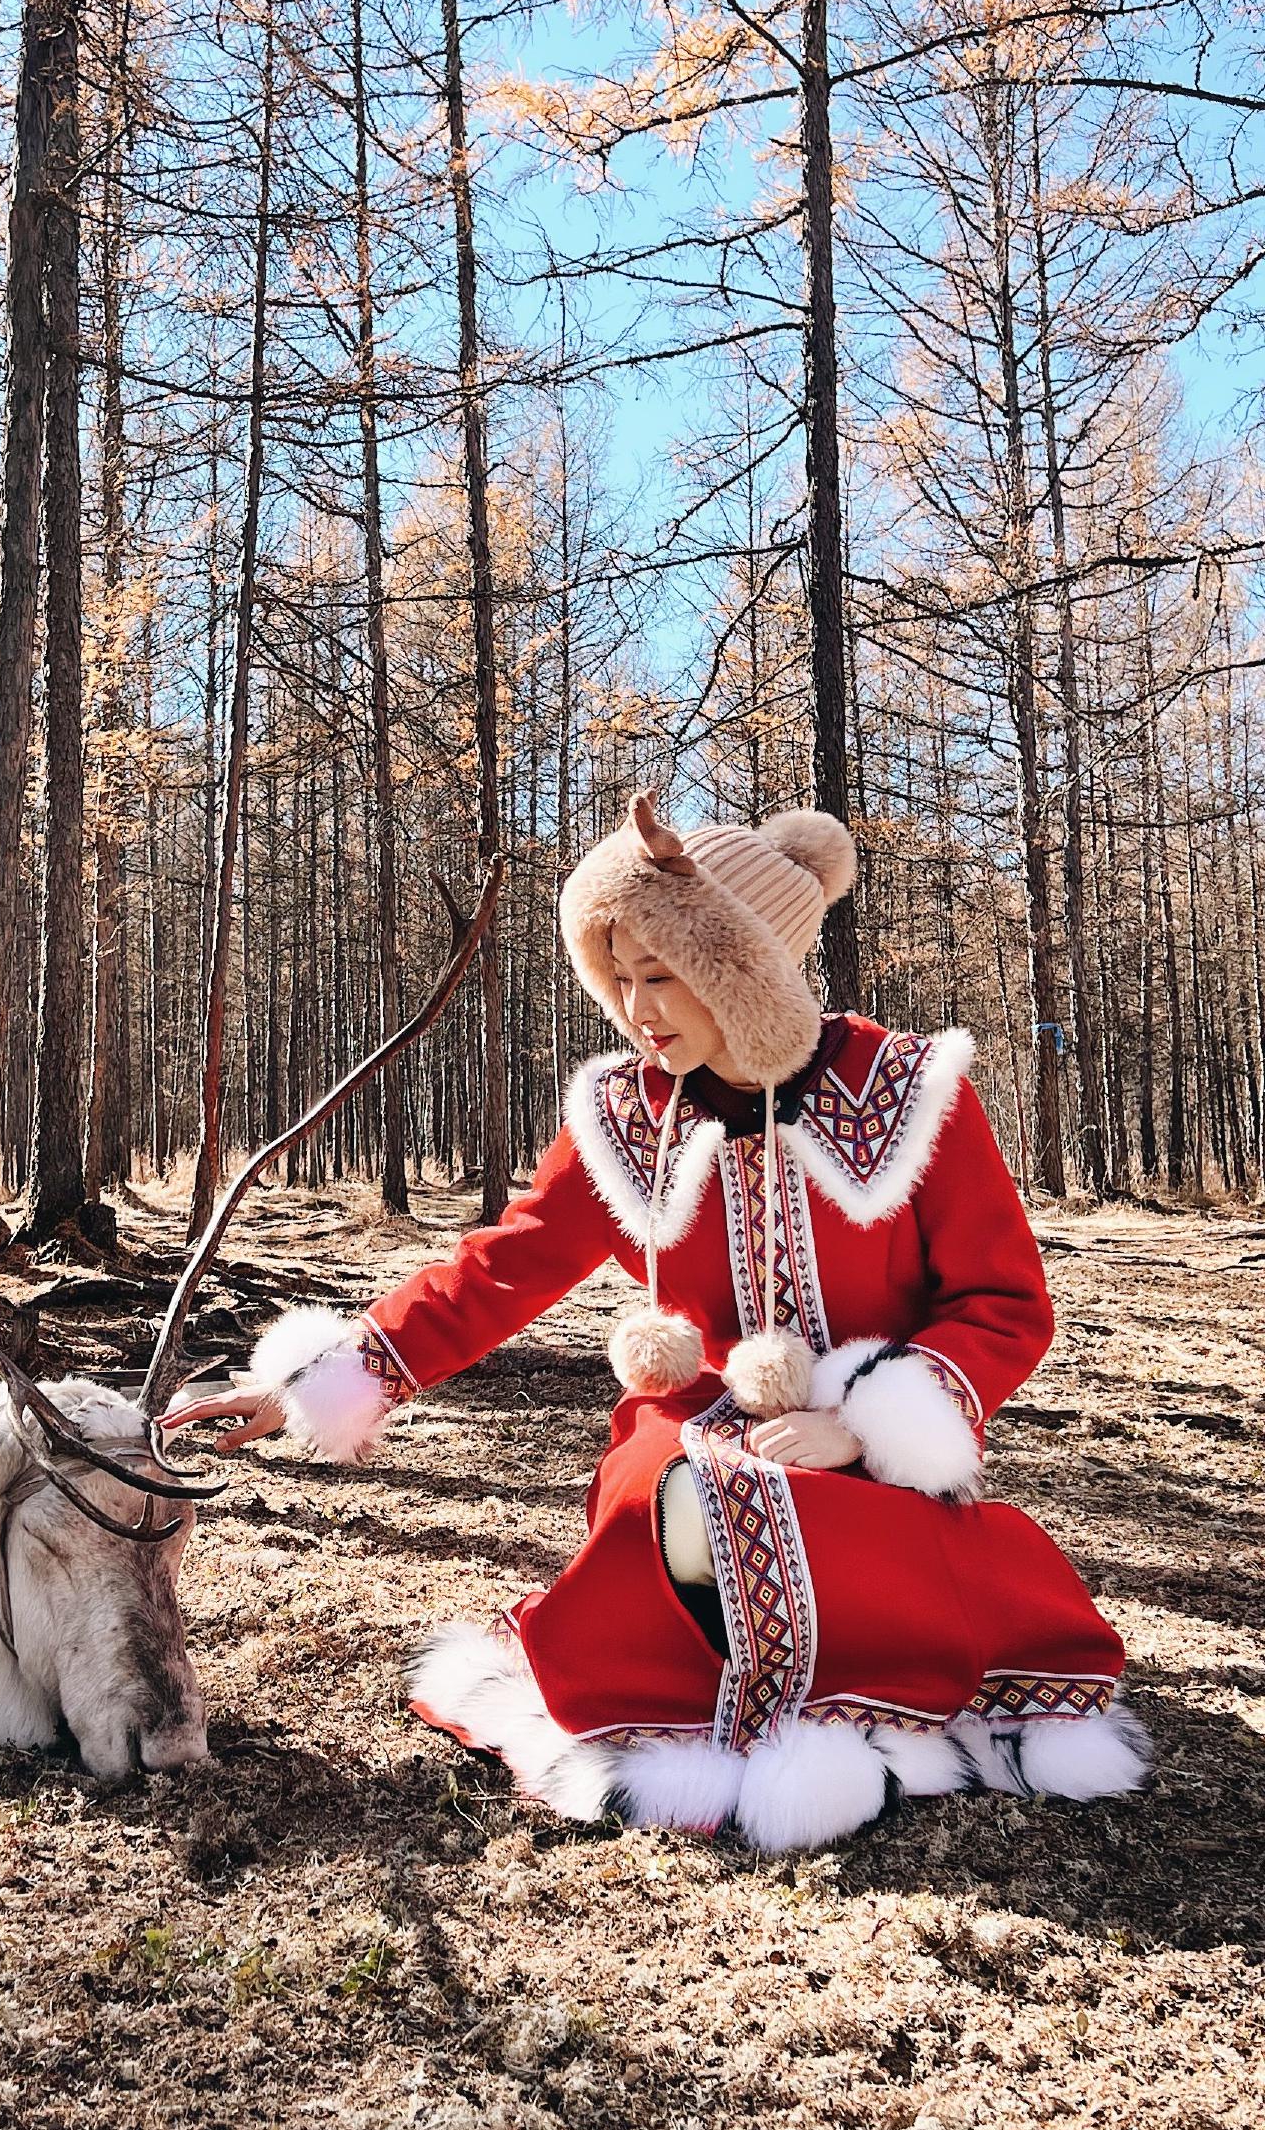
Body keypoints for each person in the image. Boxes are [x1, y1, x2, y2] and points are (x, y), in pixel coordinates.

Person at [163, 793, 1149, 1853]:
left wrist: (864, 1426)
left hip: (867, 1429)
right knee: (665, 1497)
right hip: (688, 1419)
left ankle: (857, 1687)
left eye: (663, 975)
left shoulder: (910, 1092)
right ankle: (728, 1704)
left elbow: (1002, 1303)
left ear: (748, 967)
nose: (636, 1008)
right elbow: (501, 1265)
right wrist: (321, 1377)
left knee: (835, 1524)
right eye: (617, 975)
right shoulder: (626, 1112)